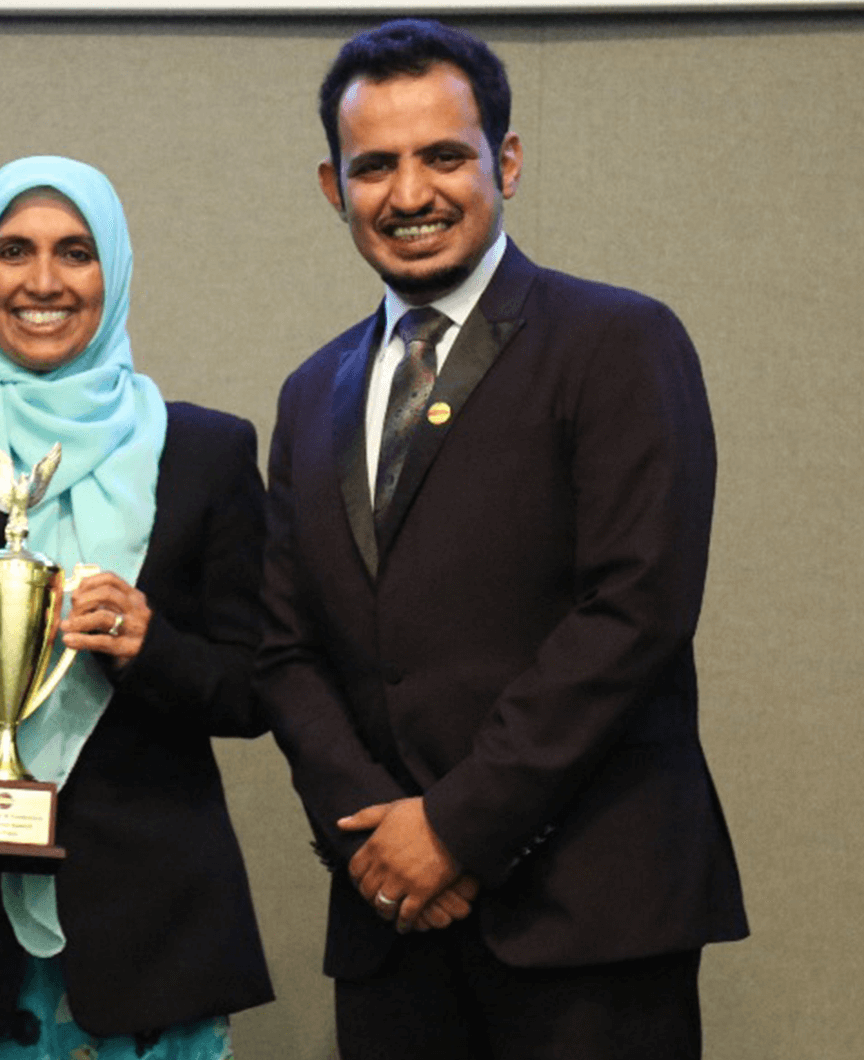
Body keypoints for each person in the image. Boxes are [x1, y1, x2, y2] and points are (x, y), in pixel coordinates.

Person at [258, 19, 748, 1060]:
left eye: (444, 155)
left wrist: (454, 829)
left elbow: (633, 611)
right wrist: (378, 841)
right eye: (373, 166)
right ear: (330, 187)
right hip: (389, 922)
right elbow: (285, 647)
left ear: (506, 162)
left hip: (587, 918)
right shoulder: (310, 394)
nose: (409, 193)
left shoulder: (618, 341)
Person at [0, 155, 273, 1059]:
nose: (42, 281)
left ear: (116, 269)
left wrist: (152, 647)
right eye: (13, 250)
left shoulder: (205, 452)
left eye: (75, 252)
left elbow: (257, 689)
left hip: (152, 929)